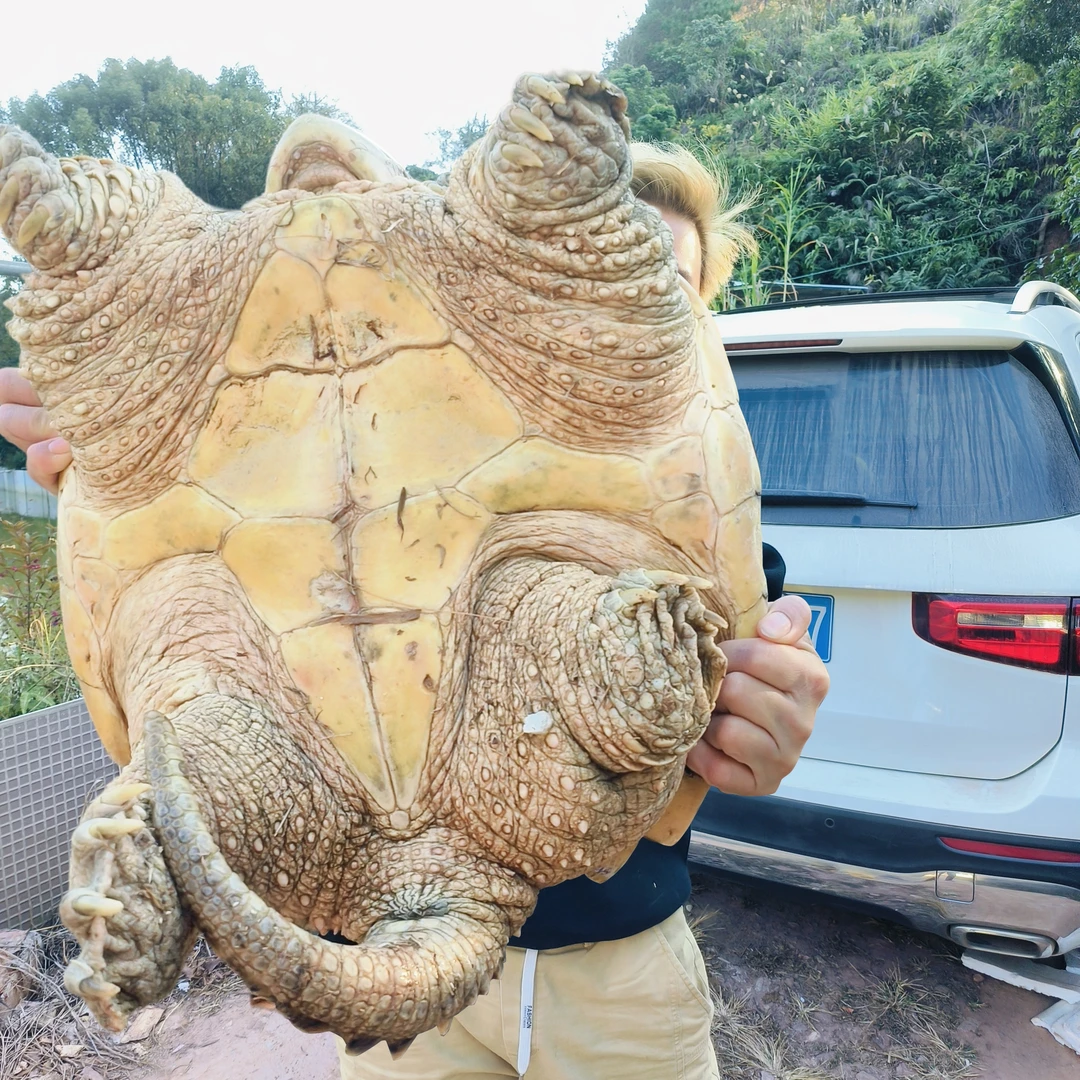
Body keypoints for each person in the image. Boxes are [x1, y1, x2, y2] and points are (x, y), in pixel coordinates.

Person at [0, 142, 829, 1080]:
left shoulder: (658, 503)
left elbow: (739, 669)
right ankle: (171, 849)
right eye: (621, 251)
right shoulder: (222, 335)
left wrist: (759, 721)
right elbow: (109, 450)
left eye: (666, 281)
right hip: (355, 895)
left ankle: (178, 834)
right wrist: (95, 405)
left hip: (617, 978)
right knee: (215, 730)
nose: (642, 301)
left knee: (607, 649)